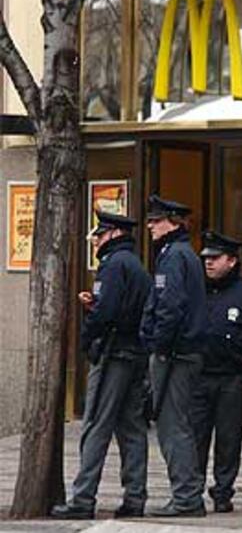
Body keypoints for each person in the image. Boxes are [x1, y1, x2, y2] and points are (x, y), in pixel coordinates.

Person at [51, 211, 151, 520]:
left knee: (95, 424)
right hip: (134, 353)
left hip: (113, 354)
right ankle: (135, 497)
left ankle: (83, 498)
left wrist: (87, 338)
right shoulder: (135, 265)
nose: (95, 241)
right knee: (132, 428)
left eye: (98, 235)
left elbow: (106, 313)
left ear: (111, 234)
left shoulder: (113, 265)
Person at [140, 194, 208, 517]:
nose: (150, 226)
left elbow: (170, 306)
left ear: (172, 222)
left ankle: (186, 498)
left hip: (177, 353)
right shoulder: (181, 254)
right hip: (184, 351)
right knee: (177, 423)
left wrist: (160, 348)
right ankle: (187, 494)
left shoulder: (173, 256)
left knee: (172, 426)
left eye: (155, 220)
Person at [191, 230, 242, 513]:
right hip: (200, 375)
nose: (208, 263)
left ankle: (223, 492)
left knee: (229, 440)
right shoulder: (197, 291)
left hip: (232, 378)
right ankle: (191, 490)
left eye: (215, 258)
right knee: (196, 438)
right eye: (206, 258)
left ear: (231, 261)